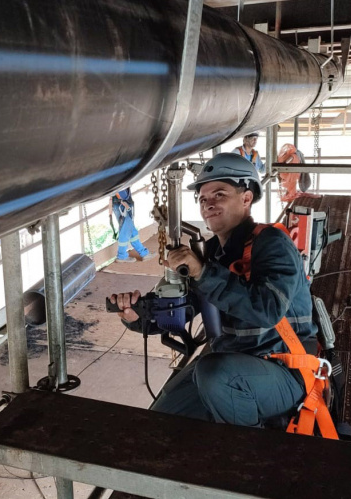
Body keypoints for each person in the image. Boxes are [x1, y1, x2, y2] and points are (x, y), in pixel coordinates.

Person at [110, 154, 318, 427]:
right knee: (159, 419)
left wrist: (203, 272)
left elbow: (267, 310)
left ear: (246, 198)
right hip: (232, 363)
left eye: (219, 194)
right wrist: (139, 316)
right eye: (203, 198)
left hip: (284, 369)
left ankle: (251, 460)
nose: (208, 203)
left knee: (214, 374)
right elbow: (186, 308)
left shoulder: (273, 243)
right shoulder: (213, 253)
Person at [111, 188, 152, 263]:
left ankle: (144, 253)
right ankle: (122, 256)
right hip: (123, 204)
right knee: (125, 232)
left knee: (132, 231)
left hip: (121, 203)